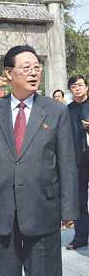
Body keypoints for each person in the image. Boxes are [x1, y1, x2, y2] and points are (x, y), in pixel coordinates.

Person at [0, 45, 79, 276]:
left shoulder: (56, 110)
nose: (34, 73)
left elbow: (67, 163)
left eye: (37, 67)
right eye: (26, 67)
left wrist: (69, 209)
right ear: (8, 73)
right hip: (0, 211)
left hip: (43, 211)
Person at [66, 74, 89, 250]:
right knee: (80, 200)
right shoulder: (68, 110)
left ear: (87, 87)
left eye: (80, 85)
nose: (78, 88)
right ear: (70, 90)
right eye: (74, 86)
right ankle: (80, 237)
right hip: (77, 162)